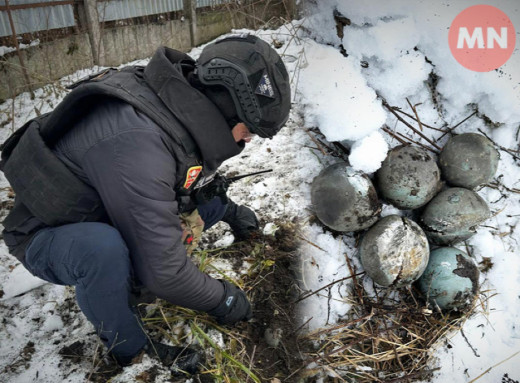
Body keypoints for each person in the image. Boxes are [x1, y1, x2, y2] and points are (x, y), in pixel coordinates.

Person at [0, 34, 291, 373]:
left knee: (197, 204)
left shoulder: (174, 105)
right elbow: (165, 275)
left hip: (106, 208)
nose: (248, 139)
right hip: (47, 235)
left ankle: (134, 273)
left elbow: (187, 186)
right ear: (227, 108)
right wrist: (224, 299)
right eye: (248, 130)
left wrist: (230, 211)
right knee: (103, 250)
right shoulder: (138, 143)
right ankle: (129, 349)